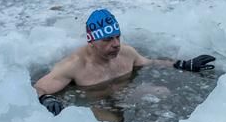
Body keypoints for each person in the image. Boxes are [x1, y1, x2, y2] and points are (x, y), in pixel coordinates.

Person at [34, 8, 216, 115]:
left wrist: (184, 64)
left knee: (163, 92)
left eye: (117, 37)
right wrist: (47, 99)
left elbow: (150, 62)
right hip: (96, 103)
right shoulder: (74, 65)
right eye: (107, 40)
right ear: (91, 41)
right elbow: (39, 87)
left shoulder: (127, 53)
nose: (115, 45)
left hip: (125, 94)